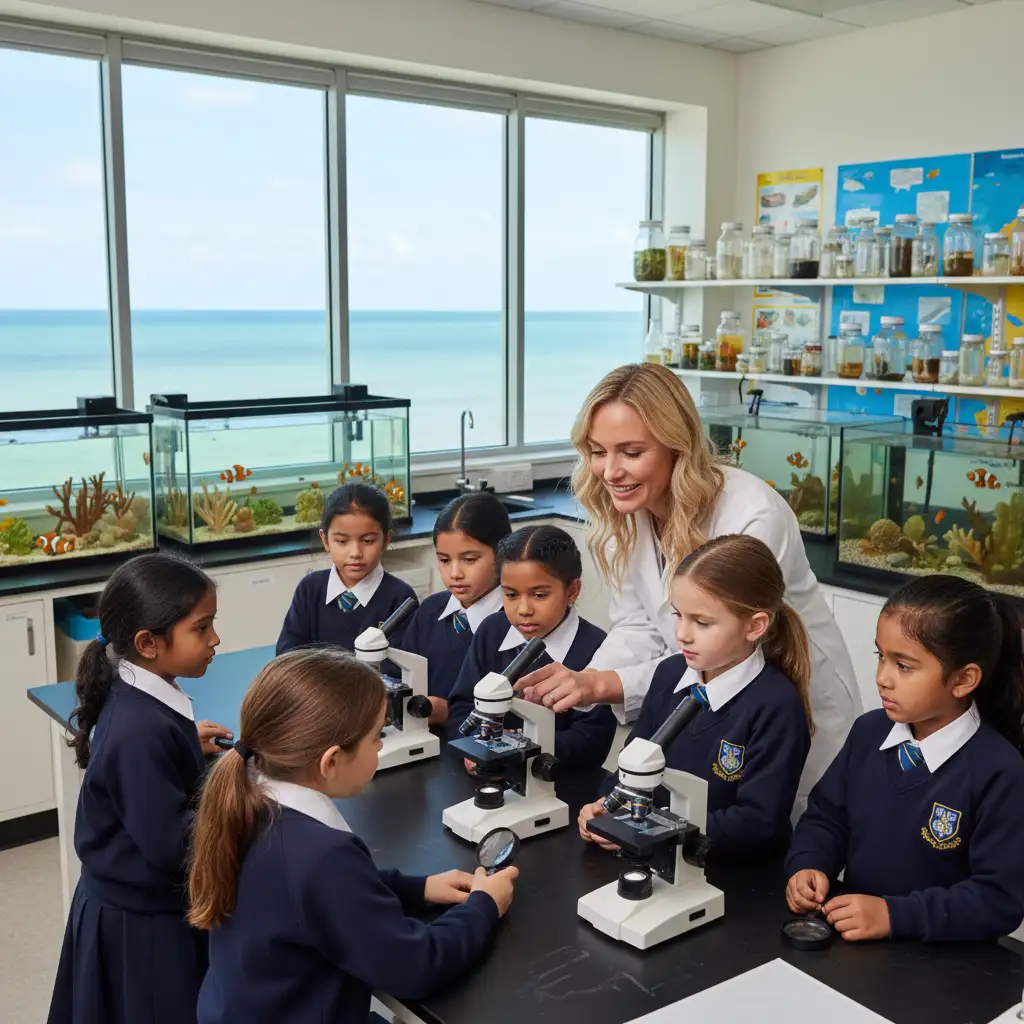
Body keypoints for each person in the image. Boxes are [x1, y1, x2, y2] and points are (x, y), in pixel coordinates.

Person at [517, 363, 858, 805]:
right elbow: (638, 625)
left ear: (678, 447)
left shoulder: (751, 515)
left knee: (780, 832)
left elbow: (718, 649)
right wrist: (587, 679)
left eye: (631, 452)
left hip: (786, 696)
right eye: (598, 451)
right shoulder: (633, 510)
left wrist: (603, 686)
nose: (609, 471)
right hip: (707, 701)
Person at [189, 648, 516, 1024]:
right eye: (376, 736)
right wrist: (484, 907)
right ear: (331, 761)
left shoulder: (250, 799)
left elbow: (313, 898)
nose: (380, 745)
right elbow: (415, 966)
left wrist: (417, 888)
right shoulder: (321, 855)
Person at [786, 575, 1024, 943]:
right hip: (856, 948)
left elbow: (998, 899)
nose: (882, 678)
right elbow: (826, 817)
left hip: (944, 974)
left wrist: (894, 915)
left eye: (904, 666)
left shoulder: (1000, 772)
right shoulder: (868, 732)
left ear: (963, 680)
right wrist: (808, 864)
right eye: (880, 656)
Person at [48, 553, 231, 1024]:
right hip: (140, 928)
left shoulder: (143, 694)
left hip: (135, 908)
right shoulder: (139, 732)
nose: (215, 640)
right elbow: (173, 843)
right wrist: (243, 798)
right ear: (148, 643)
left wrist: (182, 747)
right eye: (201, 628)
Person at [578, 534, 813, 860]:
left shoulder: (776, 706)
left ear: (755, 626)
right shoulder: (669, 675)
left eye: (702, 622)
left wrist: (652, 829)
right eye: (678, 615)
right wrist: (606, 806)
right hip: (655, 854)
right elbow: (630, 767)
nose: (682, 634)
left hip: (733, 877)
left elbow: (758, 823)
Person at [447, 524, 617, 769]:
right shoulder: (492, 630)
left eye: (539, 595)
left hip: (561, 785)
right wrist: (471, 746)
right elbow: (462, 704)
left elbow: (590, 742)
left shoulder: (600, 651)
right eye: (511, 595)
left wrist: (512, 752)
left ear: (572, 591)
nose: (523, 610)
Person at [401, 492, 511, 726]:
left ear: (502, 554)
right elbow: (402, 677)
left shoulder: (516, 622)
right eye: (444, 560)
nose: (455, 574)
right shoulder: (430, 610)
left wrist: (450, 715)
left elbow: (517, 710)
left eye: (469, 560)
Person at [276, 482, 418, 656]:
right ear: (325, 540)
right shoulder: (310, 589)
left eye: (368, 541)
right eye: (342, 541)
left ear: (386, 540)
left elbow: (399, 667)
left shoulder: (401, 598)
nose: (355, 553)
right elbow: (287, 656)